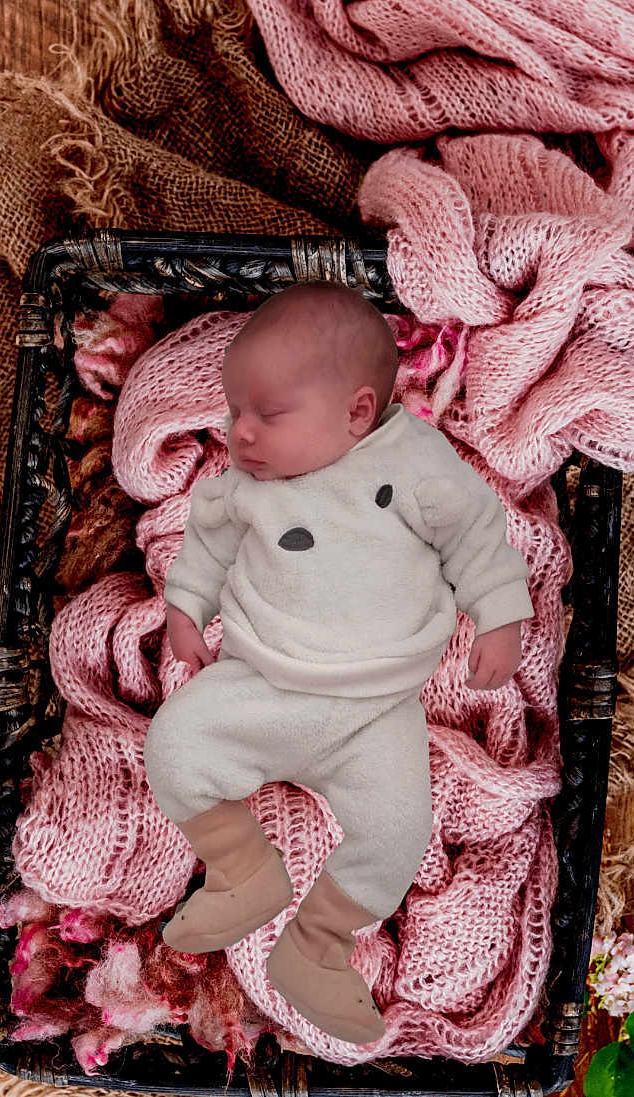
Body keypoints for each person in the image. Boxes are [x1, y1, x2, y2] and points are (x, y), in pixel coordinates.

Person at [142, 281, 534, 1045]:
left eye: (268, 414)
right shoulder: (245, 486)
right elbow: (208, 539)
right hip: (259, 684)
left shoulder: (413, 459)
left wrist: (501, 612)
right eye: (235, 412)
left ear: (358, 411)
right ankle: (243, 870)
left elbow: (476, 532)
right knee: (174, 746)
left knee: (397, 831)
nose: (242, 432)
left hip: (375, 710)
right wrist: (185, 607)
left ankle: (314, 947)